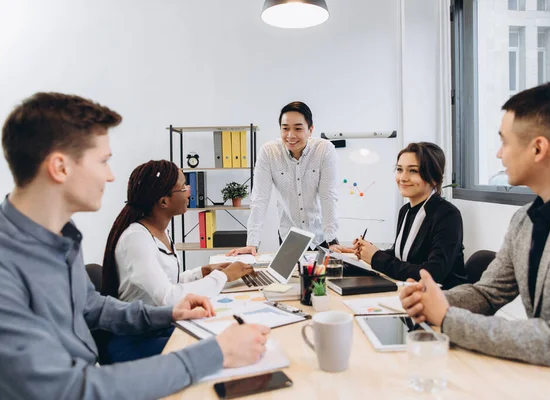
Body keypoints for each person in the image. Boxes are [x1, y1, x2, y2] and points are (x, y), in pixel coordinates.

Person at [0, 92, 270, 399]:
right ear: (60, 168)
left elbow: (90, 305)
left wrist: (168, 314)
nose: (111, 176)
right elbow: (67, 390)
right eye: (103, 161)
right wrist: (216, 353)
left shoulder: (62, 232)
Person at [400, 83, 550, 395]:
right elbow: (488, 293)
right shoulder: (524, 219)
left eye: (504, 142)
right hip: (537, 372)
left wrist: (448, 317)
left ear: (538, 148)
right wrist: (431, 302)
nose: (498, 153)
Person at [100, 160, 256, 362]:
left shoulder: (158, 232)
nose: (189, 191)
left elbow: (166, 283)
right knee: (222, 349)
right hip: (135, 341)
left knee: (223, 333)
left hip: (158, 328)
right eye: (183, 187)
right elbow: (169, 298)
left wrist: (201, 272)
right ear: (163, 202)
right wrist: (222, 277)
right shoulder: (136, 239)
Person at [226, 101, 346, 256]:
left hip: (321, 236)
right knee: (288, 279)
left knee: (322, 280)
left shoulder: (324, 150)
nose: (290, 135)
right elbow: (260, 199)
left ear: (310, 130)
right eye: (285, 128)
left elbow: (328, 196)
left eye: (298, 128)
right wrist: (252, 243)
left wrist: (332, 240)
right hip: (289, 236)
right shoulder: (269, 152)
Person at [353, 142, 467, 289]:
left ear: (434, 178)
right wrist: (367, 250)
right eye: (399, 169)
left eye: (413, 171)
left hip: (441, 300)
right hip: (409, 292)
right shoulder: (405, 211)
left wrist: (377, 258)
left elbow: (432, 274)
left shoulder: (448, 215)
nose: (403, 178)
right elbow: (402, 254)